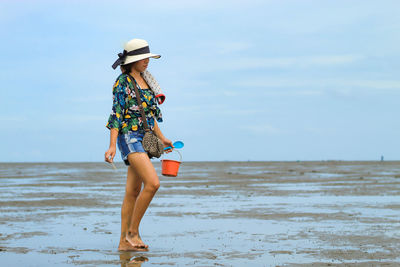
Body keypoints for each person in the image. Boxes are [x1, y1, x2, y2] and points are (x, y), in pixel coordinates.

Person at [104, 38, 173, 251]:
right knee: (153, 184)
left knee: (132, 191)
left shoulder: (148, 81)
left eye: (148, 58)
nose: (147, 61)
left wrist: (162, 139)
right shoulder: (122, 82)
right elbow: (117, 114)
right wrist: (112, 146)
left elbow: (150, 116)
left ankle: (123, 242)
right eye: (143, 58)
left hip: (145, 138)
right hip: (129, 137)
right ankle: (133, 232)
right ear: (133, 60)